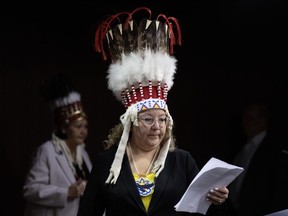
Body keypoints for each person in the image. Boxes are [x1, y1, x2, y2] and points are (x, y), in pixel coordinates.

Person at [77, 7, 229, 216]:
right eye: (148, 119)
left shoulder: (182, 161)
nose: (157, 127)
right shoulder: (106, 162)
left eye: (163, 119)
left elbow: (201, 210)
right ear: (131, 122)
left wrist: (217, 200)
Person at [23, 73, 92, 216]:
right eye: (78, 127)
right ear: (63, 127)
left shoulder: (82, 153)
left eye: (85, 126)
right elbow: (30, 190)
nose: (83, 131)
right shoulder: (47, 151)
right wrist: (66, 192)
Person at [226, 100, 288, 216]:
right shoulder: (240, 149)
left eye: (249, 119)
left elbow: (278, 188)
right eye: (244, 119)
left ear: (262, 120)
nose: (244, 123)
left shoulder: (276, 150)